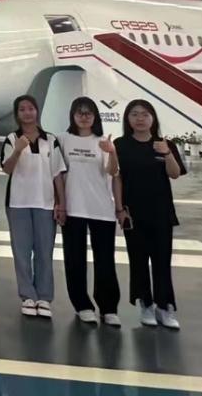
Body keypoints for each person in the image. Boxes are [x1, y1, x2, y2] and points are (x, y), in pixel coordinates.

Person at [114, 99, 186, 329]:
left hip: (161, 212)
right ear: (128, 119)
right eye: (134, 114)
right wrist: (119, 209)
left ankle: (165, 307)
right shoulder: (120, 145)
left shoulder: (164, 144)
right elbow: (117, 178)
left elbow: (175, 174)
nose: (140, 119)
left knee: (162, 261)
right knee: (138, 261)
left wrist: (167, 154)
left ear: (153, 118)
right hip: (133, 213)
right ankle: (145, 304)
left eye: (145, 114)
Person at [1, 94, 66, 319]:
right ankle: (27, 295)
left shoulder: (51, 139)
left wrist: (61, 203)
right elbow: (7, 169)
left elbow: (57, 174)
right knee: (21, 251)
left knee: (44, 251)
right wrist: (18, 150)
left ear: (37, 111)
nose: (27, 113)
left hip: (45, 203)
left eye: (31, 108)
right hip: (18, 202)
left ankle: (44, 297)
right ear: (17, 114)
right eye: (22, 109)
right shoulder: (12, 138)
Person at [60, 96, 121, 327]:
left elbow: (113, 172)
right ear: (73, 115)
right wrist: (60, 204)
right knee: (74, 259)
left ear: (95, 116)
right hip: (73, 207)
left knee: (105, 259)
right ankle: (82, 305)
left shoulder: (104, 141)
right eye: (80, 112)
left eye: (88, 113)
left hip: (101, 208)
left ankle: (109, 307)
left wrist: (112, 152)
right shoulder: (63, 140)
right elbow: (58, 174)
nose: (84, 117)